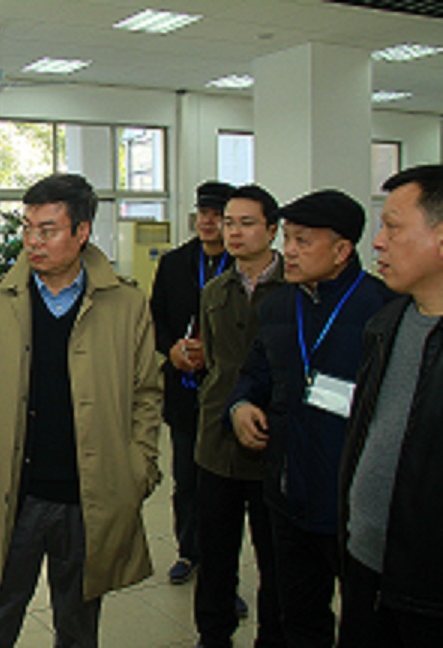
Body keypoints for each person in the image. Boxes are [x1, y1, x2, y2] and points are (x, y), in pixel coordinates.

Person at [0, 173, 163, 647]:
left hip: (89, 498)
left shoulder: (125, 304)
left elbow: (146, 393)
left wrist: (140, 467)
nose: (32, 241)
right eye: (28, 228)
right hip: (13, 494)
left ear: (82, 231)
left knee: (78, 630)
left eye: (47, 230)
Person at [227, 190, 395, 647]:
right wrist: (241, 406)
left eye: (303, 241)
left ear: (341, 250)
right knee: (298, 618)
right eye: (288, 239)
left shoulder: (382, 311)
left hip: (352, 508)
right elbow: (254, 374)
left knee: (365, 625)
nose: (290, 251)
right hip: (288, 497)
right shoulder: (278, 306)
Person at [338, 164, 443, 647]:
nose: (377, 243)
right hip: (365, 564)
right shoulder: (386, 324)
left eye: (393, 228)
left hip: (429, 588)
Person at [194, 184, 285, 648]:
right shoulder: (215, 290)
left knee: (277, 560)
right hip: (216, 444)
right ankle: (214, 636)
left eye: (247, 223)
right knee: (215, 556)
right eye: (229, 223)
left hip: (273, 445)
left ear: (272, 229)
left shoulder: (296, 290)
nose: (233, 232)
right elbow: (213, 360)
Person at [150, 180, 234, 585]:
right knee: (186, 480)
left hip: (228, 394)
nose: (208, 222)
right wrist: (172, 350)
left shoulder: (240, 266)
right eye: (203, 214)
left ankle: (222, 573)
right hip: (183, 392)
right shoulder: (175, 263)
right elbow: (156, 319)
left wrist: (211, 354)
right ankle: (188, 552)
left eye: (217, 216)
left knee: (225, 488)